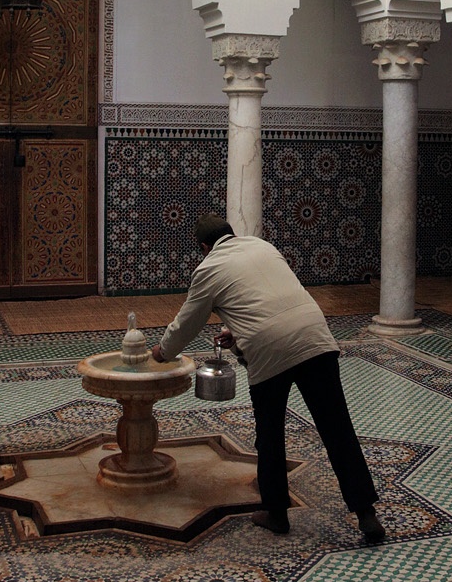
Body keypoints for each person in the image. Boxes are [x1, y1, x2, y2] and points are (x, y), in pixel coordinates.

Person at [151, 213, 386, 544]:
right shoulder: (262, 246)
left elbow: (187, 324)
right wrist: (239, 331)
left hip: (270, 353)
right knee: (337, 428)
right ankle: (366, 514)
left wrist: (161, 352)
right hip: (315, 337)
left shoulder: (208, 268)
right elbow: (268, 297)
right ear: (231, 234)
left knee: (270, 433)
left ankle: (276, 513)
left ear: (205, 247)